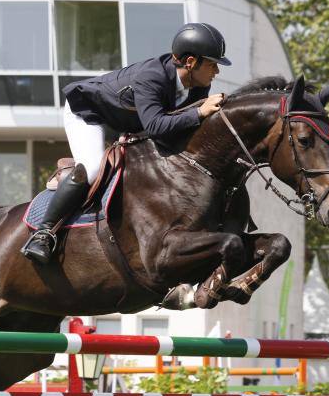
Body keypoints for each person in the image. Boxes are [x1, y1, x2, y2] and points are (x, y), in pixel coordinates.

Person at [21, 22, 231, 265]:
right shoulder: (151, 77)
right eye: (213, 64)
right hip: (90, 114)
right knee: (91, 168)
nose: (216, 71)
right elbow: (156, 127)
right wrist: (199, 113)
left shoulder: (198, 86)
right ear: (191, 62)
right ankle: (44, 233)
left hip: (127, 121)